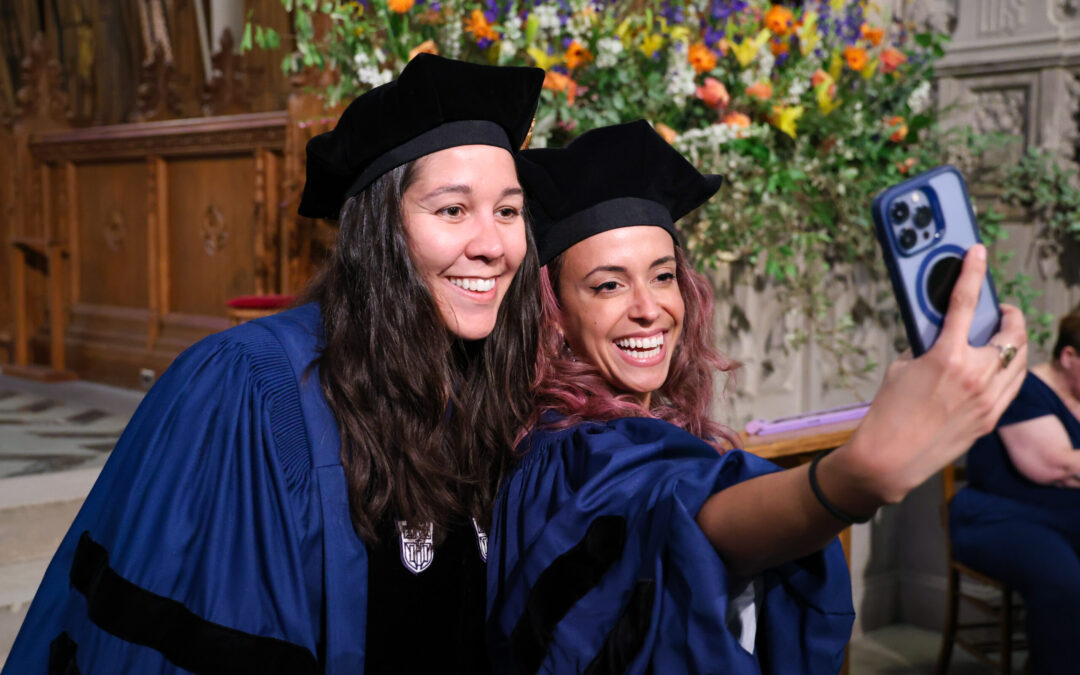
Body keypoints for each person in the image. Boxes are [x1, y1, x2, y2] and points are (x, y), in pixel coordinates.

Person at [3, 54, 543, 675]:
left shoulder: (496, 379)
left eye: (508, 211)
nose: (493, 245)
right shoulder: (254, 387)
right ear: (381, 231)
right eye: (452, 210)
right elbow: (194, 635)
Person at [485, 120, 1030, 674]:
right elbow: (685, 515)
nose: (649, 309)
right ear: (554, 317)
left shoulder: (607, 433)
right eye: (609, 285)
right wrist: (860, 476)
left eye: (663, 276)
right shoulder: (572, 454)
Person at [950, 303, 1080, 673]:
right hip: (1000, 517)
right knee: (1062, 583)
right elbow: (1056, 467)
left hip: (1063, 518)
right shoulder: (1021, 389)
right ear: (1069, 357)